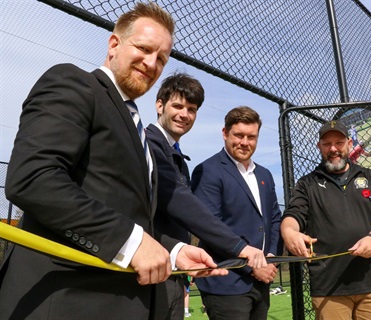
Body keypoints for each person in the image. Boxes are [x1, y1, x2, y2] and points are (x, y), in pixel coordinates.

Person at [0, 4, 226, 319]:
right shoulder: (74, 83)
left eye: (161, 58)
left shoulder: (137, 129)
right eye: (144, 49)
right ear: (114, 44)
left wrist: (172, 251)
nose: (151, 63)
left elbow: (125, 211)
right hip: (65, 300)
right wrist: (130, 241)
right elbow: (33, 178)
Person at [145, 74, 268, 319]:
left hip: (173, 269)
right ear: (159, 105)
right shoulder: (148, 145)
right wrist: (240, 247)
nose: (184, 114)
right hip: (151, 266)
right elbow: (186, 206)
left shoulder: (175, 155)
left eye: (191, 109)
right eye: (177, 106)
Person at [281, 120, 371, 320]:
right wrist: (289, 232)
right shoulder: (307, 184)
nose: (333, 149)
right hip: (329, 288)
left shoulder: (369, 177)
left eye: (339, 142)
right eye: (327, 144)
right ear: (319, 147)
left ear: (350, 144)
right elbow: (293, 215)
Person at [191, 106, 283, 320]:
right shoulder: (208, 171)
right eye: (238, 135)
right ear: (225, 133)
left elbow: (274, 219)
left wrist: (270, 258)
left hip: (261, 280)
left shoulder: (265, 175)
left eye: (251, 136)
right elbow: (210, 228)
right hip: (226, 282)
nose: (245, 142)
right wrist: (252, 266)